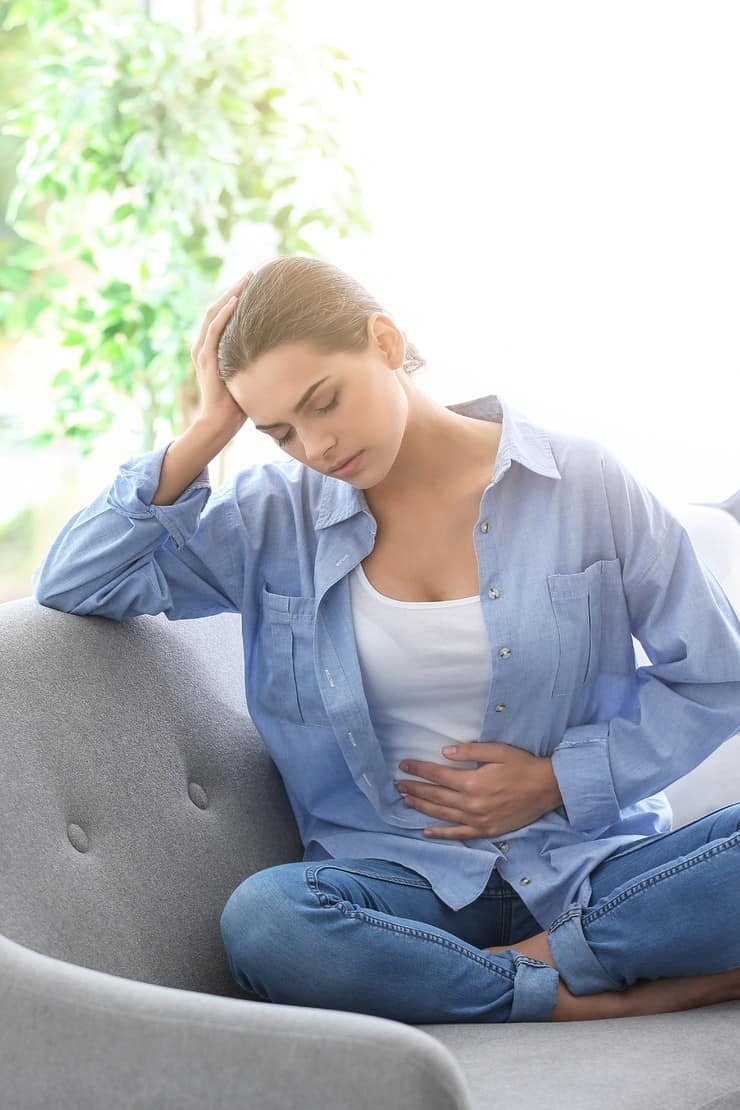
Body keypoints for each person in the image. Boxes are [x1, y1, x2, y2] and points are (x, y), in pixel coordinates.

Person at [32, 256, 740, 1024]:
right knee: (267, 921)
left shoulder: (581, 483)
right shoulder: (272, 519)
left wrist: (559, 781)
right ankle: (567, 986)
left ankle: (523, 967)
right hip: (403, 893)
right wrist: (206, 432)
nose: (316, 445)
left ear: (385, 340)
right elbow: (77, 581)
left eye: (324, 401)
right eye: (278, 431)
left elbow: (717, 674)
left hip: (594, 866)